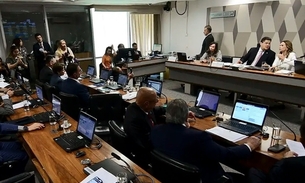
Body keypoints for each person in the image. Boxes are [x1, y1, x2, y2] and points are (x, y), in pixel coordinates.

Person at [151, 99, 261, 183]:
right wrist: (249, 145)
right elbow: (226, 155)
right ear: (185, 115)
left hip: (171, 176)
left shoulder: (155, 130)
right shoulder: (199, 137)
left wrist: (184, 123)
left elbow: (176, 136)